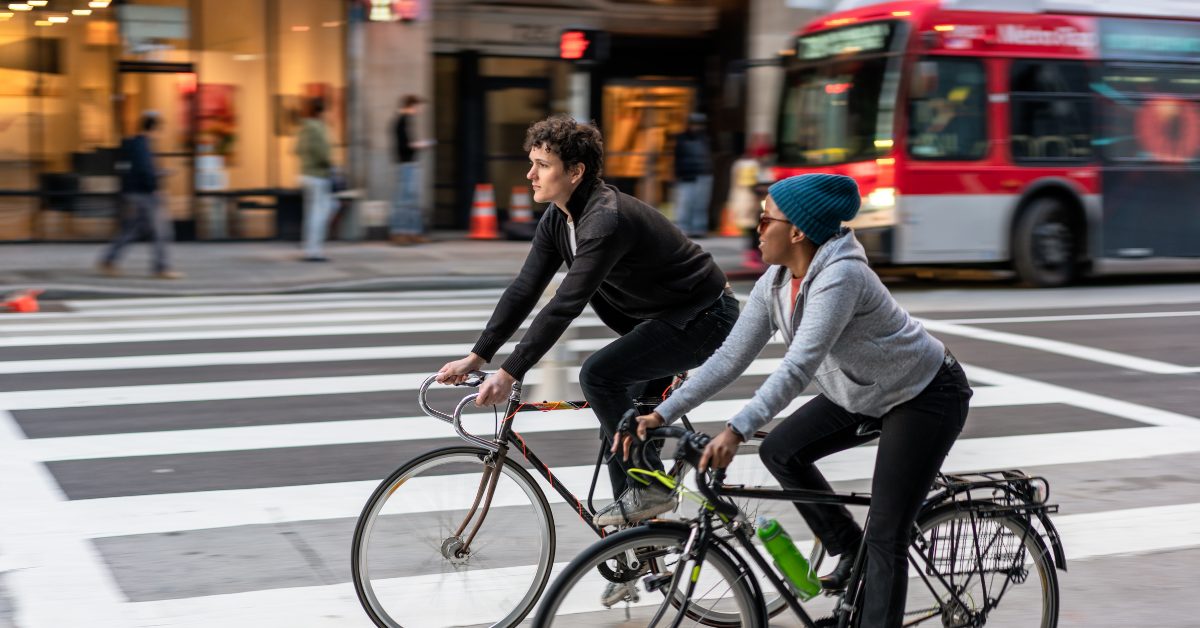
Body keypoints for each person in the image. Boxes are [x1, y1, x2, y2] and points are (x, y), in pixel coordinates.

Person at [617, 173, 973, 627]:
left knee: (887, 535)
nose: (757, 227)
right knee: (781, 451)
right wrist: (664, 411)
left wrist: (735, 429)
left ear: (798, 230)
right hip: (861, 390)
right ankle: (846, 547)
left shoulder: (841, 277)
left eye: (767, 218)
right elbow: (729, 357)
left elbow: (799, 366)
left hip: (924, 394)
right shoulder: (777, 280)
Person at [437, 114, 739, 527]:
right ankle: (642, 545)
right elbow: (525, 289)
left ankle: (650, 490)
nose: (530, 174)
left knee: (599, 376)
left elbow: (566, 303)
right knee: (617, 420)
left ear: (576, 172)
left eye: (542, 165)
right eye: (531, 162)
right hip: (659, 321)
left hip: (703, 316)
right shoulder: (559, 219)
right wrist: (479, 355)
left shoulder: (604, 219)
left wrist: (509, 372)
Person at [98, 111, 182, 279]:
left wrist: (160, 173)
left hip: (132, 193)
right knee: (161, 231)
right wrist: (155, 187)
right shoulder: (143, 146)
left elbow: (140, 169)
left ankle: (109, 260)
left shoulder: (134, 144)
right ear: (154, 129)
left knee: (133, 229)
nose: (161, 134)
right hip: (145, 195)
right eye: (160, 130)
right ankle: (161, 268)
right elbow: (145, 170)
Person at [296, 97, 335, 262]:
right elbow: (323, 153)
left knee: (311, 214)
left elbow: (296, 149)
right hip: (318, 176)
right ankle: (315, 251)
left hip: (305, 174)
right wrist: (329, 163)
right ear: (322, 111)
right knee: (320, 214)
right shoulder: (318, 127)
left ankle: (308, 249)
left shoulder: (303, 127)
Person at [390, 94, 430, 245]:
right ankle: (400, 232)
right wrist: (419, 145)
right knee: (404, 199)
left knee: (411, 199)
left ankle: (412, 232)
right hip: (406, 164)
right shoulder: (402, 122)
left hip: (408, 163)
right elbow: (404, 145)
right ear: (411, 106)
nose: (420, 110)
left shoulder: (404, 121)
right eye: (418, 107)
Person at [672, 112, 713, 238]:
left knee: (700, 204)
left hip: (703, 174)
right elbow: (677, 158)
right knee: (685, 203)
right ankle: (683, 228)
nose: (697, 127)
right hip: (686, 175)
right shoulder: (682, 139)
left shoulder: (706, 138)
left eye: (700, 125)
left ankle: (699, 229)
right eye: (695, 124)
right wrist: (678, 173)